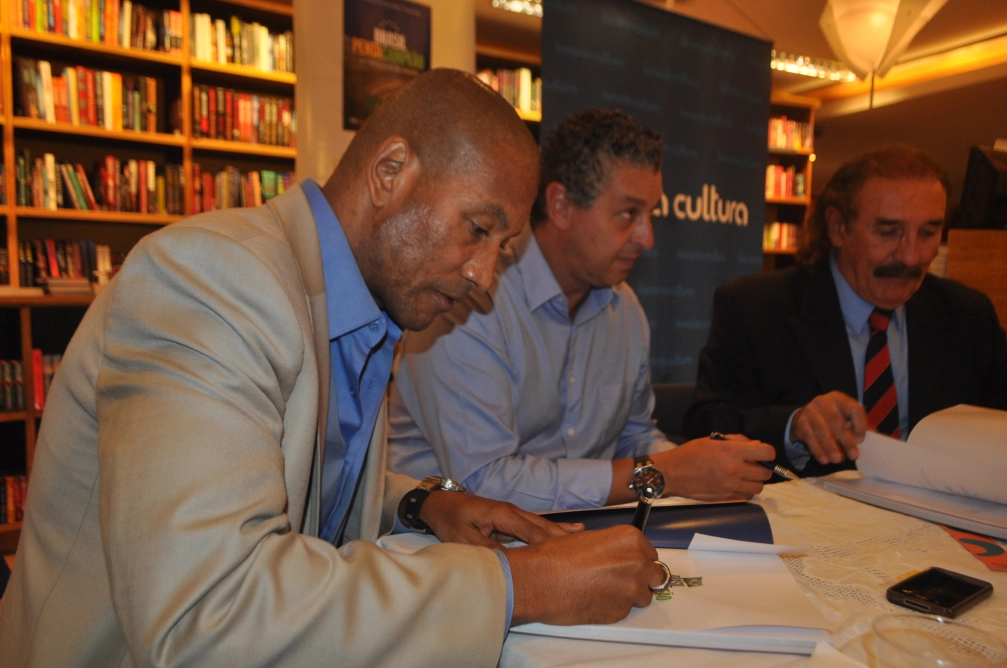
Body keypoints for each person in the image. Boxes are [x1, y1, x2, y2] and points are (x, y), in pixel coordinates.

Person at [0, 71, 667, 667]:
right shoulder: (211, 279)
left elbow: (285, 487)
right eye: (476, 229)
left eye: (503, 247)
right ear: (390, 172)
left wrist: (420, 504)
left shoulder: (363, 307)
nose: (484, 276)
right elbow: (203, 615)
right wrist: (522, 586)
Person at [388, 108, 775, 512]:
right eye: (629, 214)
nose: (647, 238)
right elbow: (486, 482)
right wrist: (665, 473)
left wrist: (707, 467)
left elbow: (634, 437)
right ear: (560, 205)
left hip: (578, 538)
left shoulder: (624, 310)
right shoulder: (467, 298)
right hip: (446, 553)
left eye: (650, 214)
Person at [685, 143, 1007, 477]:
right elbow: (706, 426)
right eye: (888, 232)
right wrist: (793, 426)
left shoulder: (968, 315)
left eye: (928, 232)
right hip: (807, 520)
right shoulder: (755, 307)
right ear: (838, 227)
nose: (912, 257)